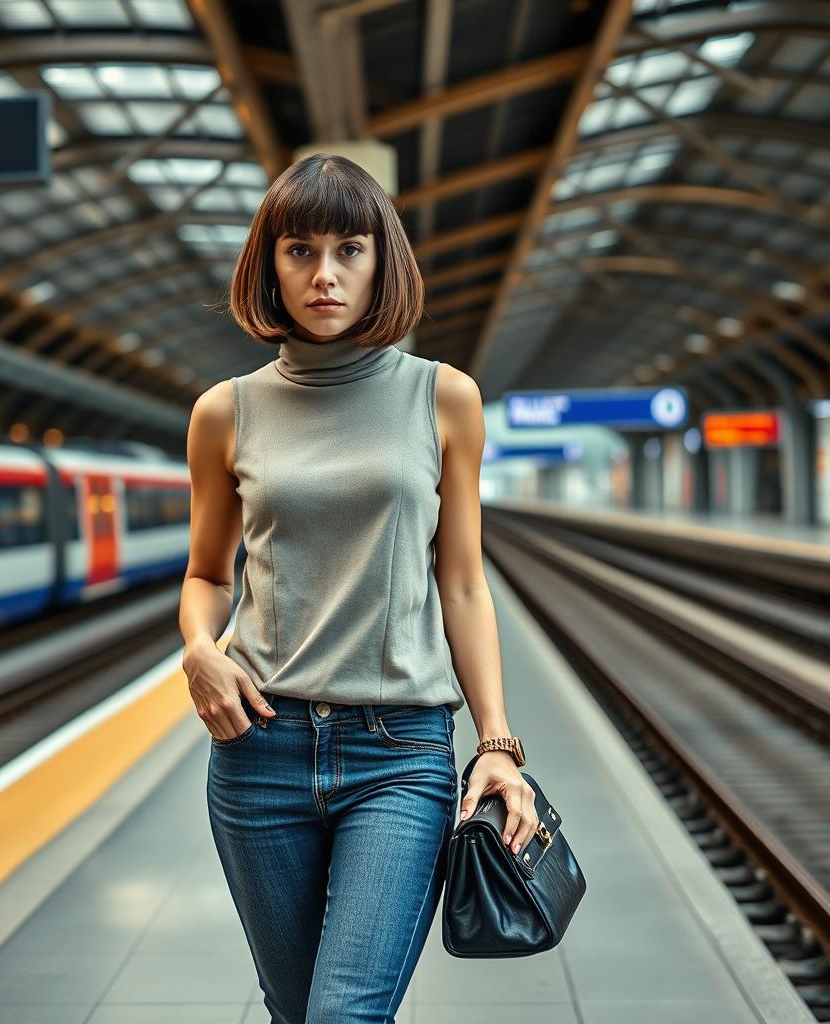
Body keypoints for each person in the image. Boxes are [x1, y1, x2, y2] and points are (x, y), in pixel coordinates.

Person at [180, 153, 539, 1024]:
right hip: (259, 749)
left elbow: (461, 583)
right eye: (299, 250)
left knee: (344, 1015)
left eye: (350, 249)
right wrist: (198, 651)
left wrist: (497, 743)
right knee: (295, 1009)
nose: (325, 274)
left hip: (399, 753)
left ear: (383, 263)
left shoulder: (444, 398)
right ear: (269, 264)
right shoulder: (223, 412)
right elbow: (205, 574)